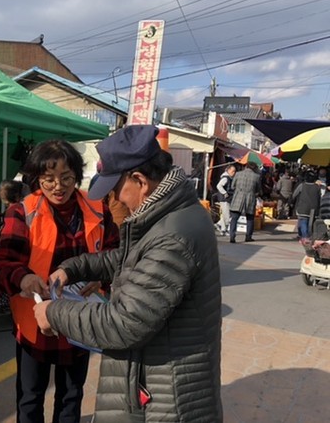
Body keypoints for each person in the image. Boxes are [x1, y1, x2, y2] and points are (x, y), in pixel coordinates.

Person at [33, 125, 223, 422]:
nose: (116, 200)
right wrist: (74, 268)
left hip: (163, 399)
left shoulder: (172, 235)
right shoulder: (171, 215)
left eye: (115, 189)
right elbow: (129, 259)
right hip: (155, 379)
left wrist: (54, 313)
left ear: (140, 181)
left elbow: (124, 322)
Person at [0, 139, 119, 423]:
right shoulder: (22, 212)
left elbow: (115, 255)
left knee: (72, 395)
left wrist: (101, 280)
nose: (58, 186)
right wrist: (22, 278)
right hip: (36, 323)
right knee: (30, 397)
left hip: (81, 321)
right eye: (49, 179)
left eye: (66, 178)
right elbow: (1, 262)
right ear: (37, 178)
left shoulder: (97, 208)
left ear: (77, 176)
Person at [229, 162, 262, 243]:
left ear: (246, 167)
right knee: (250, 218)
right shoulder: (256, 177)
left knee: (234, 218)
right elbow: (259, 190)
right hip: (250, 199)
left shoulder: (238, 174)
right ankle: (248, 236)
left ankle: (232, 236)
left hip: (238, 198)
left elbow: (232, 186)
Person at [292, 169, 321, 240]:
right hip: (314, 209)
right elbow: (319, 197)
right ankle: (308, 236)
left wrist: (292, 202)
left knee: (303, 222)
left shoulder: (302, 185)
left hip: (303, 208)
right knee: (310, 223)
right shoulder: (317, 187)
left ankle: (305, 237)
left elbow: (294, 195)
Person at [215, 164, 236, 235]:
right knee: (227, 215)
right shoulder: (226, 178)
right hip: (224, 199)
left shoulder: (228, 178)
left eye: (234, 171)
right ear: (228, 170)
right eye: (233, 171)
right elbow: (218, 186)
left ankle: (220, 226)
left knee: (226, 214)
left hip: (226, 199)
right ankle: (223, 229)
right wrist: (225, 193)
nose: (234, 173)